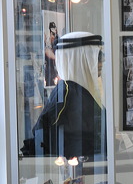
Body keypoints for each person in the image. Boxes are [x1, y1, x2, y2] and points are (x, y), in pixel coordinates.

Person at [22, 31, 107, 159]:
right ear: (78, 59)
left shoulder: (83, 89)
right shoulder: (67, 92)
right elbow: (42, 133)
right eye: (95, 56)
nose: (101, 61)